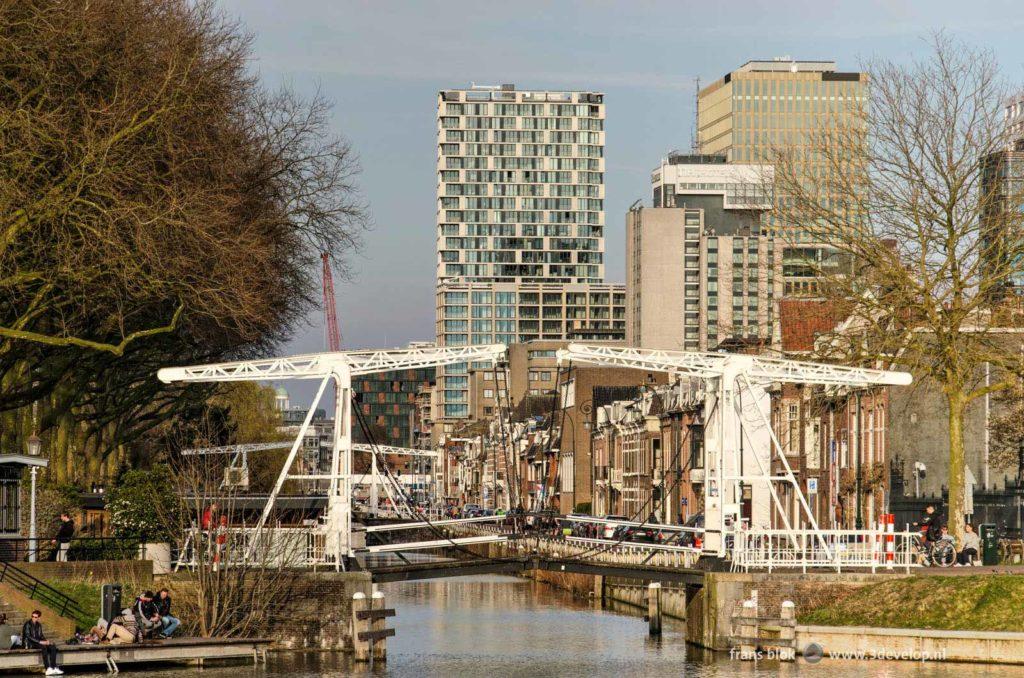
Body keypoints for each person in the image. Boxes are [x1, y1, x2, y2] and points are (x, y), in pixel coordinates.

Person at [22, 610, 62, 675]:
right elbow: (28, 636)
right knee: (43, 647)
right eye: (32, 616)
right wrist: (40, 642)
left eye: (35, 617)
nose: (33, 618)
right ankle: (47, 668)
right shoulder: (27, 624)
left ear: (38, 618)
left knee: (53, 647)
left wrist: (46, 641)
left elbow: (41, 635)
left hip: (38, 642)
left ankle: (53, 667)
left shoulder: (39, 625)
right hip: (30, 643)